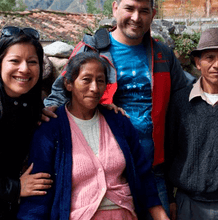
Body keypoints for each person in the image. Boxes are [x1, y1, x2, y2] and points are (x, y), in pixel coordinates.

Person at [42, 0, 196, 217]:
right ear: (115, 8)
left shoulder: (162, 54)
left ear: (152, 14)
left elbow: (184, 96)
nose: (136, 17)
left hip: (153, 170)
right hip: (106, 173)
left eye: (143, 11)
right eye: (129, 8)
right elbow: (58, 96)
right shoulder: (91, 50)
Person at [17, 52, 170, 220]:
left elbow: (143, 173)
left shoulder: (119, 122)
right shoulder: (51, 129)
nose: (94, 88)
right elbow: (39, 191)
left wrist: (160, 215)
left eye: (100, 81)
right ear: (69, 83)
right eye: (86, 79)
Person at [165, 27, 218, 220]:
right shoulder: (180, 101)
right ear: (197, 62)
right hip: (187, 203)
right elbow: (168, 151)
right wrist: (169, 198)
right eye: (210, 57)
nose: (217, 65)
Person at [0, 26, 53, 219]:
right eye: (14, 60)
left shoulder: (29, 106)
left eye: (32, 62)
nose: (24, 69)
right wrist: (16, 187)